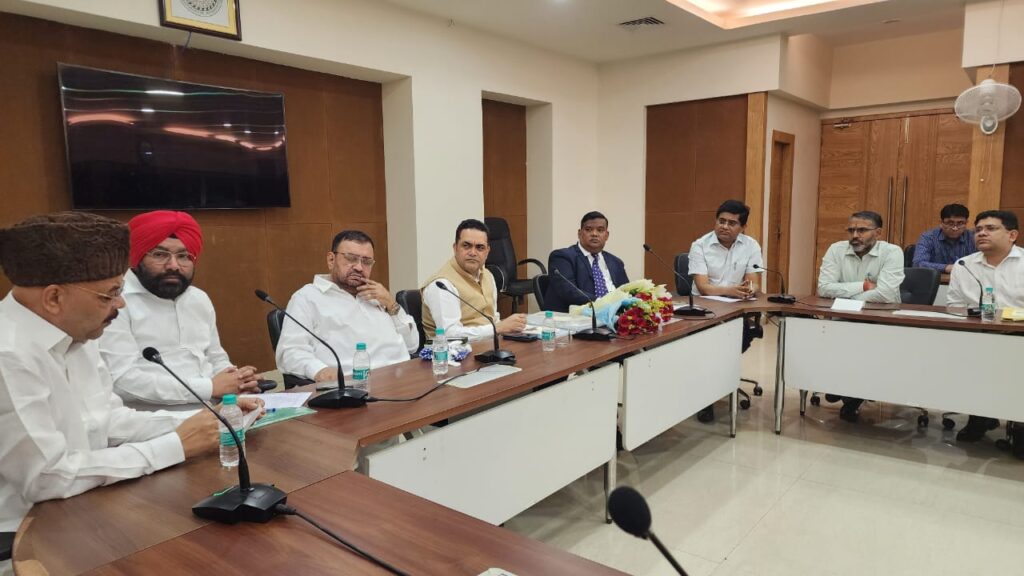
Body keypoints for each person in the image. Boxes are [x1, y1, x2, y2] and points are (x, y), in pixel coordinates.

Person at [0, 212, 261, 568]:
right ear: (54, 298)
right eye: (110, 294)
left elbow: (109, 420)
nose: (120, 305)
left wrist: (210, 422)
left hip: (87, 505)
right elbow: (47, 477)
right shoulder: (8, 354)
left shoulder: (78, 333)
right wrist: (175, 445)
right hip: (26, 539)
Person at [99, 211, 260, 411]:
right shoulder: (115, 302)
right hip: (152, 421)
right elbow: (122, 381)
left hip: (216, 411)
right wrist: (209, 387)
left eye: (184, 256)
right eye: (160, 255)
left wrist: (237, 382)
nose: (173, 266)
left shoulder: (198, 299)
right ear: (136, 257)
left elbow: (215, 357)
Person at [276, 230, 418, 382]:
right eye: (351, 259)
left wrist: (391, 304)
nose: (359, 267)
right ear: (331, 260)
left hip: (406, 378)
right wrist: (319, 370)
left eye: (366, 262)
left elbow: (412, 345)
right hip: (358, 385)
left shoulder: (377, 295)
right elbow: (290, 352)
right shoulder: (307, 298)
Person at [946, 210, 1023, 451]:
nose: (981, 233)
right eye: (978, 229)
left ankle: (1019, 424)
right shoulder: (964, 265)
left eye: (990, 228)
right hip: (978, 337)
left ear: (1012, 235)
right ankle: (980, 416)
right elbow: (954, 306)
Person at [817, 211, 905, 422]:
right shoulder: (836, 249)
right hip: (843, 318)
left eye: (862, 230)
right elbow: (824, 288)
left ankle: (852, 393)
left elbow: (885, 294)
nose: (855, 235)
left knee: (866, 348)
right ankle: (843, 386)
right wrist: (864, 286)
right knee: (831, 340)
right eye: (851, 230)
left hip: (879, 319)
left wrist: (846, 298)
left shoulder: (892, 252)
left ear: (878, 233)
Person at [688, 200, 764, 423]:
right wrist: (731, 290)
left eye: (732, 223)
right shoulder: (699, 246)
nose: (724, 226)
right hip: (704, 311)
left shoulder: (751, 246)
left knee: (739, 338)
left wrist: (750, 289)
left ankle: (717, 381)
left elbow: (754, 281)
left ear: (743, 227)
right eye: (721, 221)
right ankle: (707, 397)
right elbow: (703, 287)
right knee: (710, 346)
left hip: (736, 310)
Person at [421, 219, 526, 341]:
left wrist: (511, 327)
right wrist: (497, 328)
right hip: (454, 351)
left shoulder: (488, 276)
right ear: (455, 248)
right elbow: (450, 334)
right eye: (466, 246)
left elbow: (493, 318)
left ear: (487, 252)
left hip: (490, 345)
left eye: (480, 247)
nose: (473, 253)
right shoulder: (442, 284)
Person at [544, 211, 630, 313]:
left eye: (600, 230)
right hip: (576, 316)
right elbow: (569, 292)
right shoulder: (562, 257)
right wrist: (604, 303)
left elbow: (627, 291)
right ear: (579, 233)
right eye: (588, 229)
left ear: (606, 235)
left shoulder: (616, 262)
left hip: (616, 315)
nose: (594, 234)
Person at [913, 203, 975, 273]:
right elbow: (918, 264)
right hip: (938, 279)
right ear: (941, 223)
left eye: (960, 223)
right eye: (950, 223)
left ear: (966, 223)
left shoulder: (973, 238)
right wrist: (946, 268)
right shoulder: (928, 237)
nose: (955, 228)